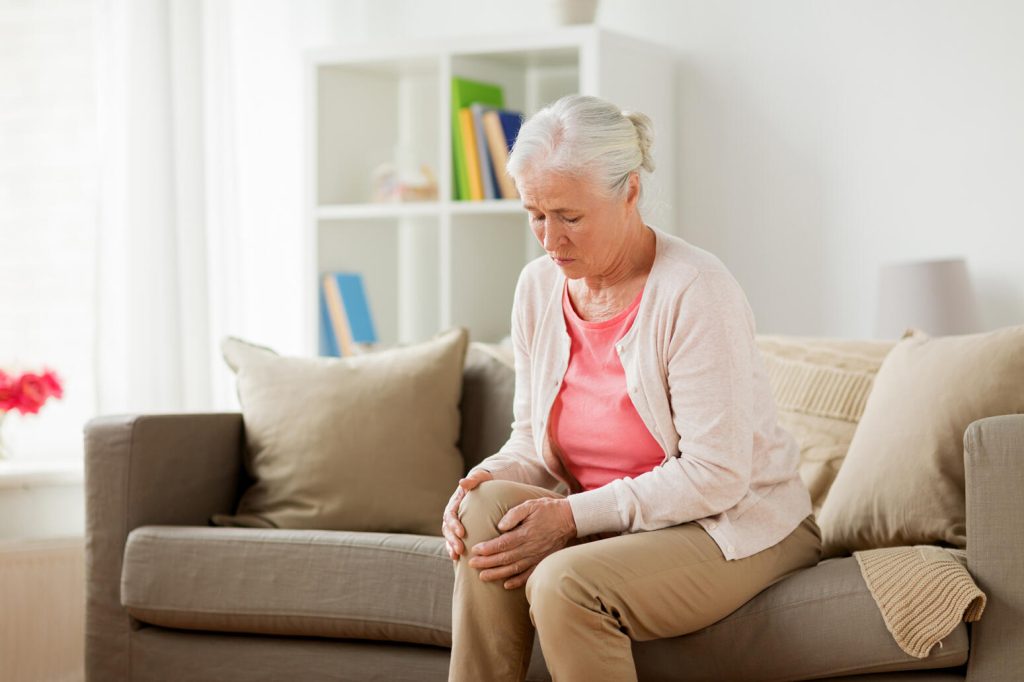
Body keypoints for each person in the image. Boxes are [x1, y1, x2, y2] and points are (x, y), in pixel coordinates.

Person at [441, 94, 821, 682]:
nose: (550, 239)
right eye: (535, 215)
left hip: (732, 522)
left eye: (569, 217)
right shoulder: (537, 288)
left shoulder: (695, 289)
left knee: (564, 582)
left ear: (630, 192)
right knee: (485, 509)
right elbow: (531, 440)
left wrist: (570, 518)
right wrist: (480, 481)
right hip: (615, 523)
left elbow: (716, 475)